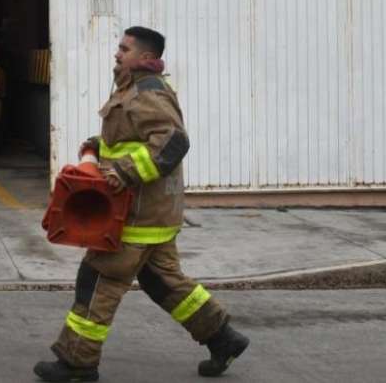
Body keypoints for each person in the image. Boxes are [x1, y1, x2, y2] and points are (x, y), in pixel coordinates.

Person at [35, 26, 249, 382]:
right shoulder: (134, 88)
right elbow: (133, 140)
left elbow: (173, 141)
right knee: (163, 281)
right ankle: (222, 338)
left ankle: (77, 363)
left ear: (146, 58)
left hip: (134, 215)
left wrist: (126, 171)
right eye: (118, 47)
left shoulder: (146, 92)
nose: (117, 53)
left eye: (124, 49)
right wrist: (97, 147)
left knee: (98, 279)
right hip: (155, 216)